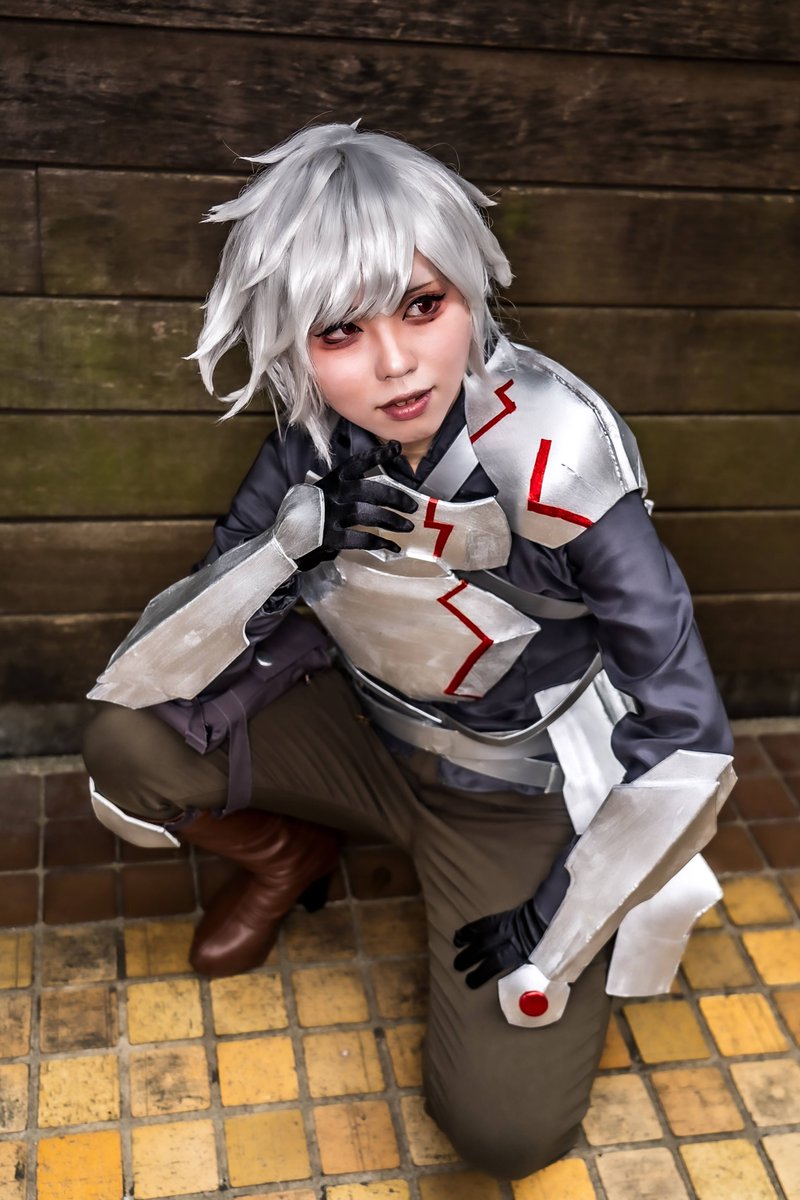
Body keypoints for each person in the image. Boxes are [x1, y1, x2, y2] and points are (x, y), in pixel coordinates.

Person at [82, 121, 734, 1180]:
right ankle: (289, 856)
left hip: (509, 793)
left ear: (469, 293)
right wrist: (293, 543)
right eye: (340, 331)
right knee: (127, 737)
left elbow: (689, 739)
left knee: (504, 1134)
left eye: (422, 307)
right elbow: (171, 651)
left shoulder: (557, 455)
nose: (393, 364)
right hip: (363, 734)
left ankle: (477, 900)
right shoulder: (316, 436)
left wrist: (559, 915)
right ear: (294, 342)